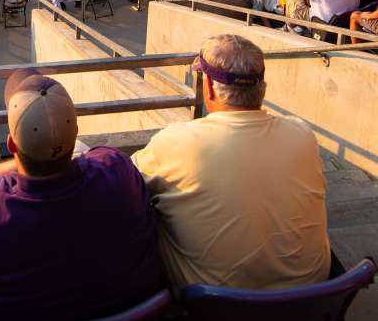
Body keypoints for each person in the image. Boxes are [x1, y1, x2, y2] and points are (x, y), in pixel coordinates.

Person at [0, 71, 161, 321]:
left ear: (11, 145)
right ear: (76, 130)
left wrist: (23, 161)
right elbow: (92, 157)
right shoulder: (118, 172)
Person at [132, 34, 331, 290]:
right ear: (262, 86)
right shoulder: (303, 135)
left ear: (210, 87)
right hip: (313, 301)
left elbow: (124, 183)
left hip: (214, 308)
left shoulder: (178, 142)